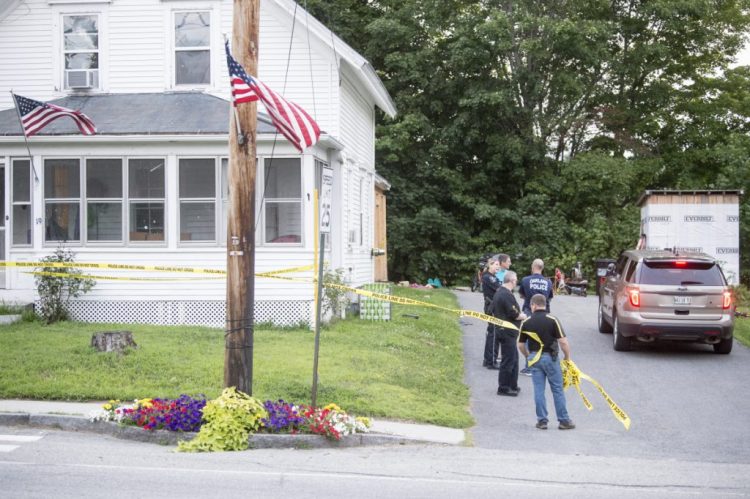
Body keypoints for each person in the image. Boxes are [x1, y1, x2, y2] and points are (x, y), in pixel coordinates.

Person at [517, 294, 575, 430]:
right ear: (544, 304)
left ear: (533, 305)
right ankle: (564, 420)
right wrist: (567, 358)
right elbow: (563, 342)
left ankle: (542, 421)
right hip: (550, 358)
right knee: (557, 389)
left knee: (539, 390)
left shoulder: (526, 322)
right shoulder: (553, 320)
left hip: (534, 358)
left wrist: (528, 356)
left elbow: (520, 345)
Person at [490, 271, 527, 396]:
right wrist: (523, 316)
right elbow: (514, 314)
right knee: (508, 360)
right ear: (512, 281)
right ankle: (503, 388)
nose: (516, 282)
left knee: (514, 359)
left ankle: (512, 384)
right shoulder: (505, 295)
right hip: (507, 332)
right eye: (515, 280)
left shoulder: (500, 292)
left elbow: (492, 310)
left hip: (505, 331)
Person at [518, 259, 554, 376]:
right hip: (545, 312)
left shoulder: (526, 280)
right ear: (542, 268)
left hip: (530, 310)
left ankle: (530, 367)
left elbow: (521, 294)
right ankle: (543, 367)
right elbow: (549, 297)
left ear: (532, 267)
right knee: (543, 339)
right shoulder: (548, 282)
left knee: (528, 339)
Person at [481, 256, 501, 368]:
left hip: (493, 306)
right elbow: (501, 288)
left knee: (492, 333)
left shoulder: (492, 276)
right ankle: (491, 361)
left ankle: (487, 359)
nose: (498, 267)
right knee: (493, 334)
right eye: (496, 264)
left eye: (498, 264)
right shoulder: (489, 277)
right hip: (492, 307)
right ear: (490, 265)